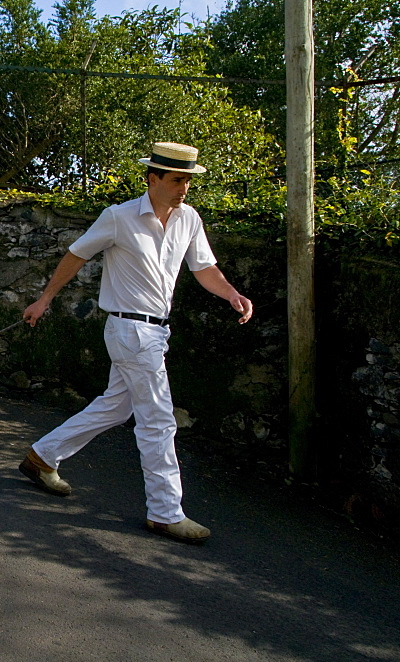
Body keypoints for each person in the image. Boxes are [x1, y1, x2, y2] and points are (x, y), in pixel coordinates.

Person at [18, 142, 254, 545]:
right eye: (177, 180)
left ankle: (43, 457)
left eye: (188, 181)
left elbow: (204, 267)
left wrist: (231, 294)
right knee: (159, 420)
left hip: (156, 331)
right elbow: (76, 255)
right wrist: (45, 299)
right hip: (129, 331)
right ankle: (164, 512)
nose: (183, 188)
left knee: (117, 406)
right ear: (152, 178)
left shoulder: (189, 219)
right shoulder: (119, 217)